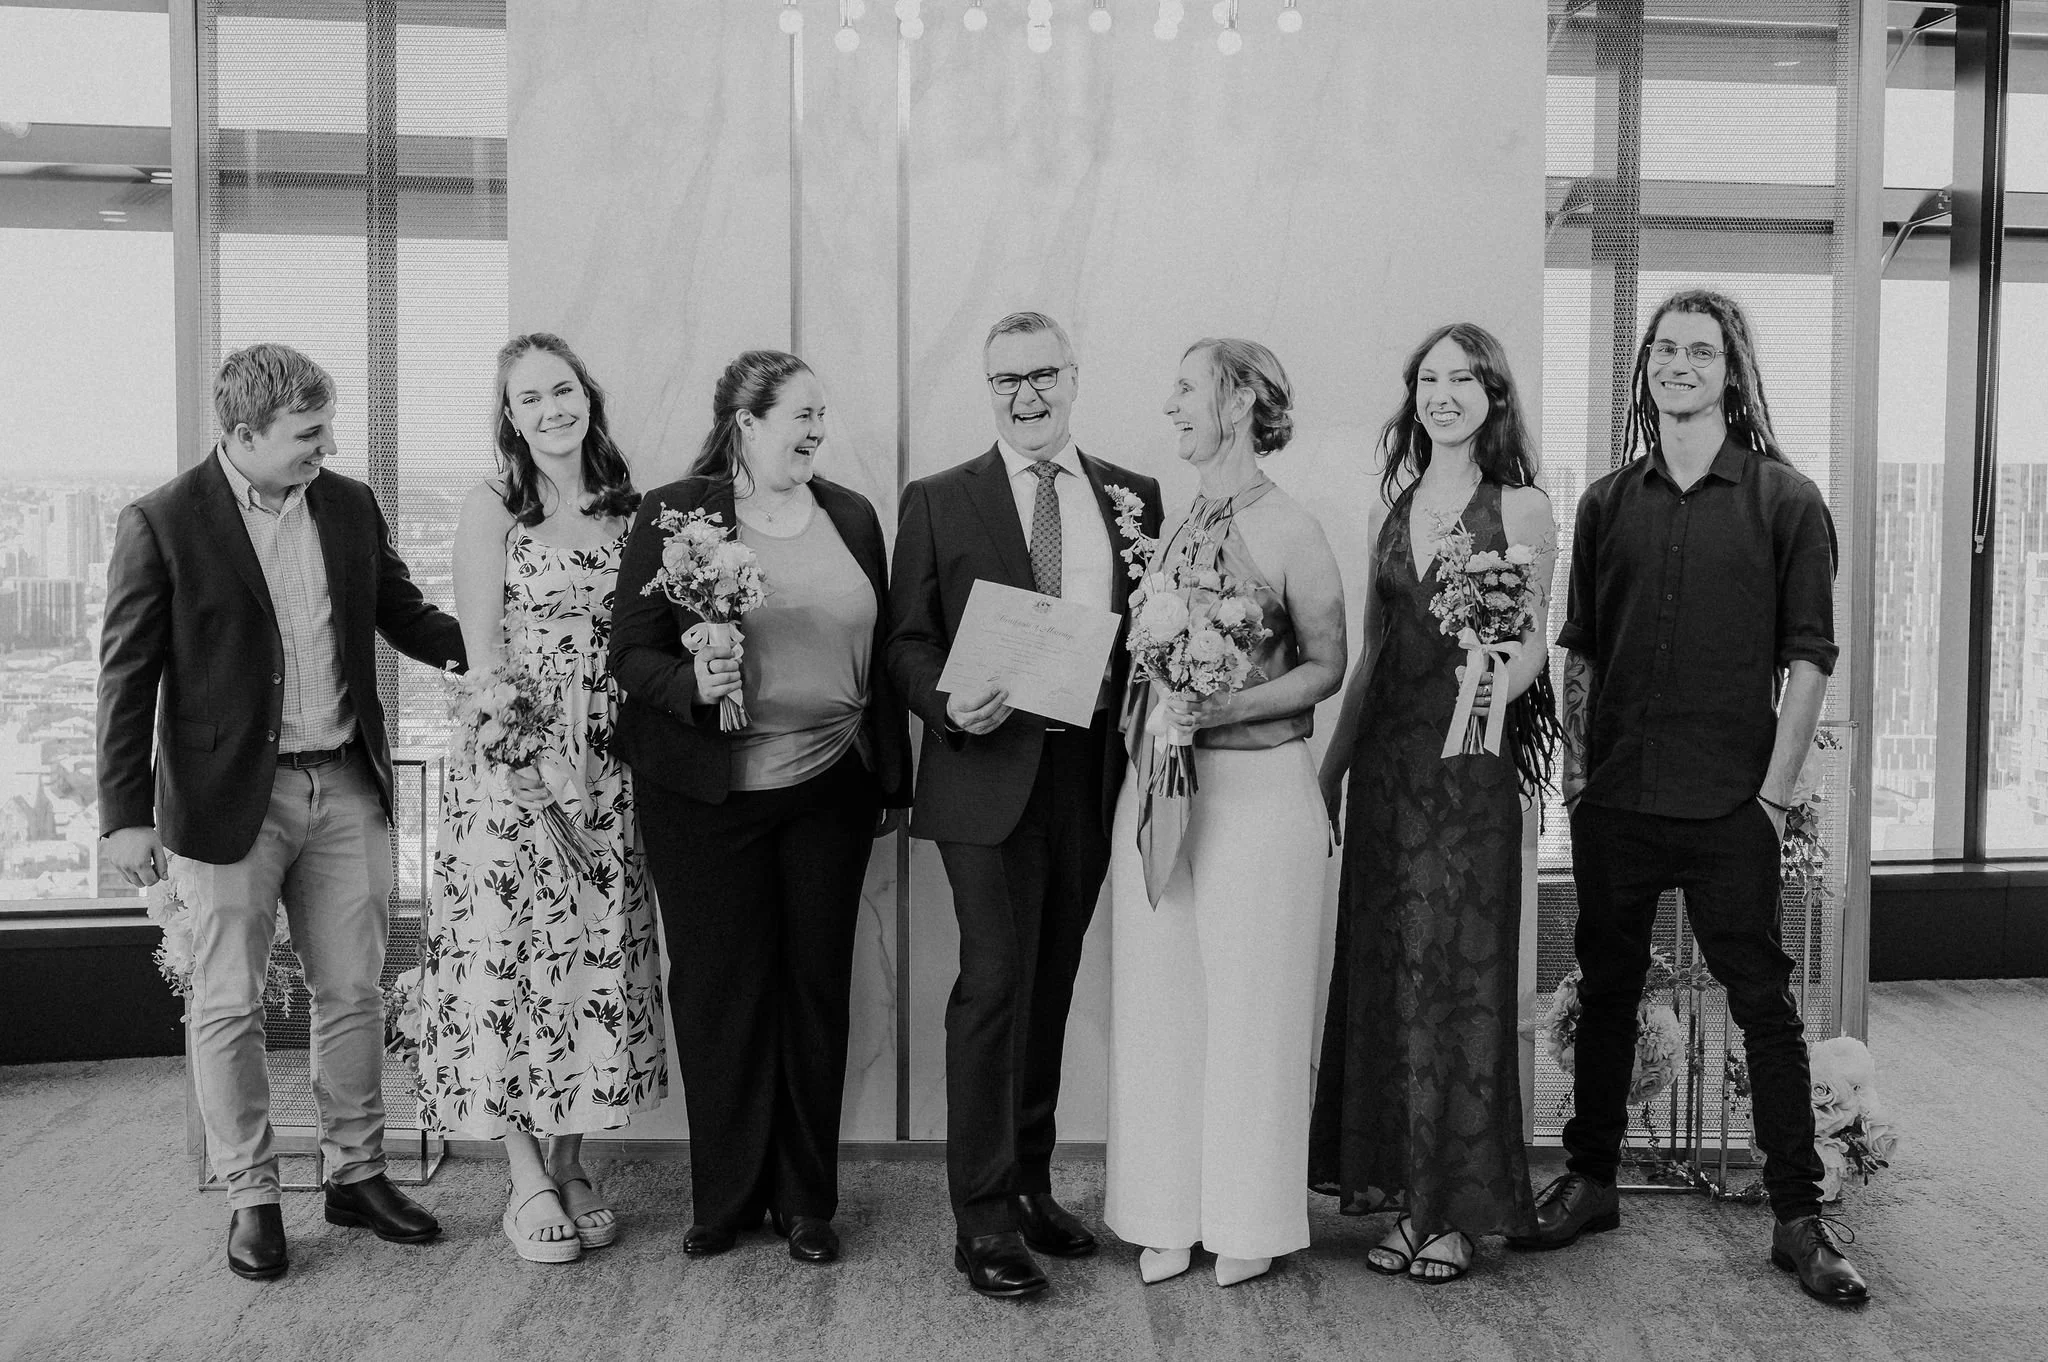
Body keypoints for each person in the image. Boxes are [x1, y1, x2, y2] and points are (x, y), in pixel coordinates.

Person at [1513, 288, 1869, 1306]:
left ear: (1730, 371)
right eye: (1662, 350)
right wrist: (1579, 780)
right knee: (1604, 986)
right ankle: (1587, 1180)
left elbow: (1808, 659)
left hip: (1729, 801)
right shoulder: (1602, 505)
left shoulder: (1784, 500)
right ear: (1644, 373)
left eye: (1698, 352)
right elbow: (1576, 651)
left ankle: (1798, 1216)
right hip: (1617, 794)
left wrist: (1769, 794)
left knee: (1760, 1001)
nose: (1677, 364)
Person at [97, 343, 465, 1281]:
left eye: (326, 427)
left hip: (344, 781)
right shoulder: (163, 522)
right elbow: (127, 676)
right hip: (226, 804)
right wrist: (123, 815)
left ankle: (358, 1174)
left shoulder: (346, 505)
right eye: (308, 433)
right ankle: (251, 1196)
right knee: (230, 1002)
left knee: (354, 991)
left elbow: (404, 612)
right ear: (242, 433)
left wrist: (497, 656)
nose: (326, 446)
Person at [887, 311, 1164, 1300]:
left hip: (1085, 776)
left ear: (1073, 375)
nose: (1026, 395)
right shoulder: (936, 499)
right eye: (1005, 379)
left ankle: (1035, 1185)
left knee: (1047, 985)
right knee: (994, 986)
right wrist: (942, 697)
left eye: (1042, 373)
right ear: (987, 388)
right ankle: (982, 1221)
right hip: (981, 775)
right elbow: (905, 642)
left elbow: (1150, 639)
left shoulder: (1133, 497)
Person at [612, 349, 909, 1266]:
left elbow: (887, 652)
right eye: (803, 415)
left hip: (830, 786)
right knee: (719, 991)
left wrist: (893, 777)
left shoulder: (853, 515)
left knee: (815, 988)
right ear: (748, 421)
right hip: (705, 797)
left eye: (824, 414)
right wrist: (696, 683)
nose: (819, 431)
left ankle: (806, 1200)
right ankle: (727, 1195)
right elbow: (631, 656)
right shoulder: (676, 511)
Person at [1307, 322, 1557, 1284]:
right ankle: (1407, 1197)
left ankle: (1454, 1210)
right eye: (1428, 378)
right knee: (1392, 976)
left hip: (1472, 772)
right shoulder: (1396, 508)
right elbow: (1373, 657)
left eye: (1462, 377)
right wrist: (1331, 774)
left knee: (1458, 980)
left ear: (1493, 395)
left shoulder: (1523, 508)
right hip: (1390, 773)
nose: (1443, 392)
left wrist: (1496, 684)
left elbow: (1534, 639)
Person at [417, 333, 667, 1263]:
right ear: (511, 420)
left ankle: (572, 1157)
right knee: (514, 959)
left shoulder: (632, 510)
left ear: (587, 398)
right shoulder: (494, 511)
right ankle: (522, 1170)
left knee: (594, 958)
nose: (553, 410)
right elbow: (483, 659)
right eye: (531, 400)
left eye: (563, 391)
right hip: (517, 766)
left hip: (614, 765)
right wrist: (517, 754)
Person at [1104, 339, 1346, 1288]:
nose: (1169, 405)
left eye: (1186, 389)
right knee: (1160, 1000)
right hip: (1162, 789)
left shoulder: (1292, 527)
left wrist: (1224, 706)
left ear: (1240, 401)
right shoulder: (1178, 522)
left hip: (1258, 796)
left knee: (1254, 1005)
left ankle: (1247, 1218)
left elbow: (1327, 665)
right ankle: (1163, 1212)